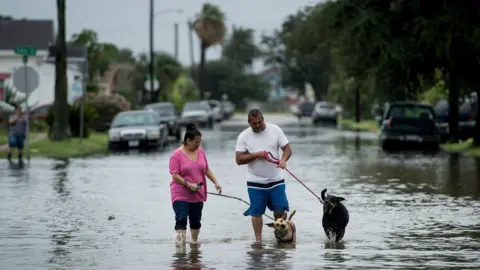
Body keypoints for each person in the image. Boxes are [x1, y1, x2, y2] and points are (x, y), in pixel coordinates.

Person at [235, 109, 293, 243]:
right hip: (255, 180)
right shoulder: (244, 136)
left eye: (259, 122)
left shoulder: (275, 130)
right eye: (254, 123)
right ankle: (258, 241)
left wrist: (283, 160)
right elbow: (238, 160)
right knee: (256, 212)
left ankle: (279, 234)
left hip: (276, 179)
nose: (257, 125)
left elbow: (287, 149)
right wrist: (256, 155)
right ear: (249, 122)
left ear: (263, 119)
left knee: (280, 208)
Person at [169, 122, 222, 245]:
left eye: (200, 142)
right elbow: (175, 175)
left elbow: (206, 169)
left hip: (197, 192)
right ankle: (180, 251)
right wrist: (188, 184)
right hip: (180, 192)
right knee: (181, 218)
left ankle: (194, 245)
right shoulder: (176, 155)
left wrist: (216, 183)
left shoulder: (201, 152)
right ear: (188, 140)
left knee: (195, 222)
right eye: (196, 142)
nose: (199, 144)